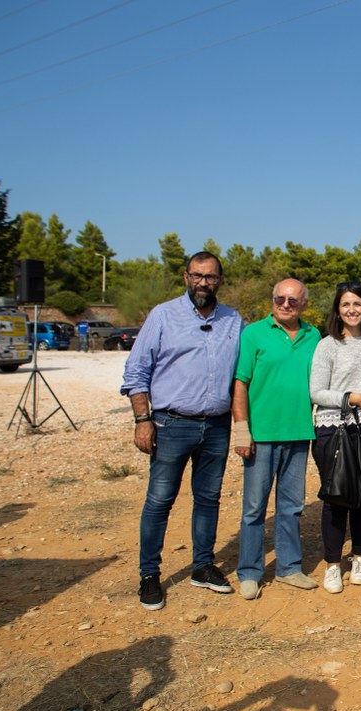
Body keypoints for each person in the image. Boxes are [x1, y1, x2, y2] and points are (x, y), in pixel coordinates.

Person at [121, 251, 244, 610]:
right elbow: (136, 371)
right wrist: (142, 420)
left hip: (217, 426)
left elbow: (245, 374)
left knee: (208, 499)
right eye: (197, 276)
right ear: (186, 277)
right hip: (171, 423)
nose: (203, 283)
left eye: (210, 277)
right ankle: (149, 575)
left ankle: (202, 566)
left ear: (220, 280)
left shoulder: (233, 320)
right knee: (160, 500)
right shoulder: (163, 315)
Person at [232, 279, 321, 600]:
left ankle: (288, 568)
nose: (285, 304)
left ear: (304, 304)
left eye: (292, 300)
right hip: (261, 436)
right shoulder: (254, 333)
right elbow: (240, 383)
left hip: (298, 433)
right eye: (279, 298)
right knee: (254, 508)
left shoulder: (314, 336)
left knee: (292, 506)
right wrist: (241, 430)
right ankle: (250, 572)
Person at [309, 282, 361, 594]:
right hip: (332, 429)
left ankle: (360, 557)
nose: (352, 310)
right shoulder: (327, 345)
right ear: (337, 311)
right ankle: (332, 565)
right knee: (336, 497)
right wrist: (352, 397)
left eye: (357, 304)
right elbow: (316, 392)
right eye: (345, 305)